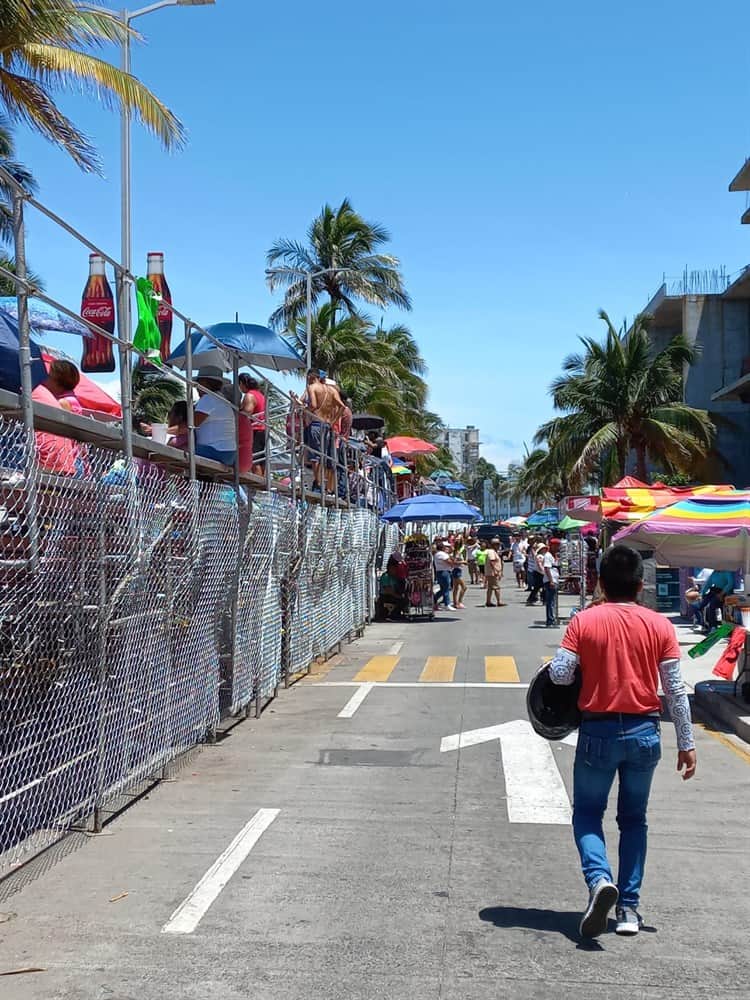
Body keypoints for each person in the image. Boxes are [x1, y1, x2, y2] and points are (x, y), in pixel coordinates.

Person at [548, 545, 696, 939]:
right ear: (640, 584)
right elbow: (675, 689)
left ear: (600, 582)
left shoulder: (584, 620)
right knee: (634, 820)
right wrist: (687, 740)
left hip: (597, 732)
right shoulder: (660, 625)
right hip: (645, 732)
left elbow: (561, 675)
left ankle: (599, 881)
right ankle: (629, 909)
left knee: (587, 814)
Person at [31, 359, 82, 476]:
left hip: (70, 458)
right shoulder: (69, 398)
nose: (44, 379)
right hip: (70, 457)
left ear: (58, 381)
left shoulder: (64, 402)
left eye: (48, 376)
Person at [303, 370, 344, 495]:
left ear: (311, 376)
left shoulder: (312, 387)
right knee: (323, 455)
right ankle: (323, 484)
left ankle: (318, 483)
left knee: (315, 456)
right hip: (327, 425)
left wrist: (305, 409)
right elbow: (342, 406)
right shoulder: (332, 390)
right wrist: (333, 420)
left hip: (315, 423)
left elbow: (314, 405)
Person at [193, 366, 236, 466]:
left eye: (198, 384)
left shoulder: (208, 398)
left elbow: (190, 424)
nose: (196, 387)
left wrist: (164, 430)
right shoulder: (221, 399)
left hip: (214, 451)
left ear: (205, 383)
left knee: (178, 447)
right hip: (228, 453)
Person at [238, 374, 266, 478]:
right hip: (262, 429)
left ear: (241, 383)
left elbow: (247, 411)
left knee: (254, 460)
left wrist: (239, 411)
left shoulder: (249, 395)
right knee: (261, 459)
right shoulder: (260, 394)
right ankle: (263, 483)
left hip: (255, 429)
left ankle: (257, 484)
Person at [539, 540, 559, 627]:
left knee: (553, 601)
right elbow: (547, 568)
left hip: (554, 580)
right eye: (556, 546)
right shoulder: (547, 555)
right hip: (550, 581)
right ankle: (550, 621)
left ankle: (552, 619)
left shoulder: (553, 556)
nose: (558, 548)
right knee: (550, 602)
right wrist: (551, 581)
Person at [433, 541, 454, 610]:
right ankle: (447, 604)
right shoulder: (442, 554)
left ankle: (434, 600)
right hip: (444, 572)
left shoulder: (438, 554)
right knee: (446, 588)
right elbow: (449, 562)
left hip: (441, 572)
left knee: (443, 589)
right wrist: (455, 563)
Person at [484, 537, 505, 607]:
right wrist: (496, 571)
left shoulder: (493, 551)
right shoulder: (491, 551)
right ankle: (499, 601)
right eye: (497, 544)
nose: (499, 546)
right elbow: (492, 561)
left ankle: (488, 601)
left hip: (490, 572)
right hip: (492, 573)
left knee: (490, 587)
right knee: (496, 587)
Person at [525, 538, 543, 606]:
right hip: (535, 570)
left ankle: (537, 598)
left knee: (538, 586)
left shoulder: (537, 553)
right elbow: (535, 558)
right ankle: (532, 598)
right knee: (537, 586)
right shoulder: (535, 553)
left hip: (536, 570)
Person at [452, 538, 467, 609]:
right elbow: (454, 562)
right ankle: (459, 602)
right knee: (464, 587)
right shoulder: (457, 552)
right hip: (456, 570)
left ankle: (455, 603)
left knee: (456, 588)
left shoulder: (457, 551)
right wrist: (463, 562)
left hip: (457, 570)